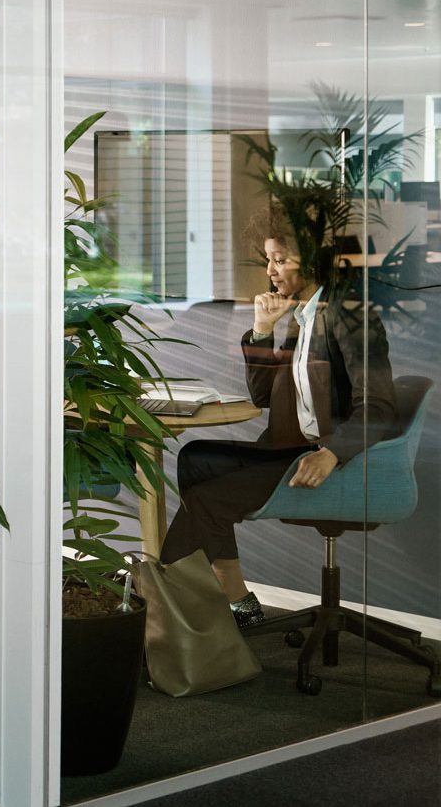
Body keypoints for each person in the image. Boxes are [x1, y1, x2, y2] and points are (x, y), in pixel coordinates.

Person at [160, 210, 396, 628]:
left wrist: (330, 454)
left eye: (281, 259)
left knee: (207, 498)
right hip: (291, 450)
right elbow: (263, 396)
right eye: (269, 259)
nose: (270, 271)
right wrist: (262, 330)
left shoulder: (348, 315)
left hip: (332, 464)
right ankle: (235, 598)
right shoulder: (303, 316)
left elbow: (378, 406)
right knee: (194, 458)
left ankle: (164, 611)